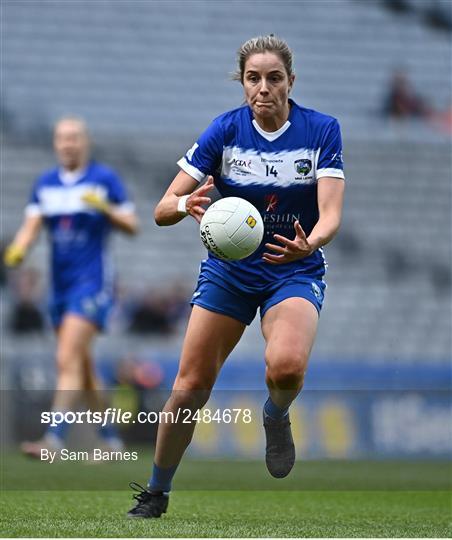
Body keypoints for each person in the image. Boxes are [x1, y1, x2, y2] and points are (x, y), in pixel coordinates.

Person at [127, 35, 345, 518]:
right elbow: (163, 208)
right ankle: (156, 491)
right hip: (229, 273)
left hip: (293, 266)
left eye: (273, 78)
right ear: (242, 83)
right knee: (190, 386)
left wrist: (311, 242)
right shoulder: (223, 131)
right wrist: (188, 204)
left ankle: (276, 413)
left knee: (286, 367)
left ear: (291, 81)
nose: (262, 88)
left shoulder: (322, 130)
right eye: (253, 78)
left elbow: (330, 215)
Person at [4, 116, 139, 455]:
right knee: (82, 364)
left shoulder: (103, 179)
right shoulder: (46, 184)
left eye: (74, 138)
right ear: (55, 144)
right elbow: (31, 226)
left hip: (92, 284)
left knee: (66, 357)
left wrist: (105, 208)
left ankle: (53, 438)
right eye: (62, 138)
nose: (68, 144)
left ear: (85, 142)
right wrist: (18, 250)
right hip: (60, 287)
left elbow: (132, 224)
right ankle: (110, 440)